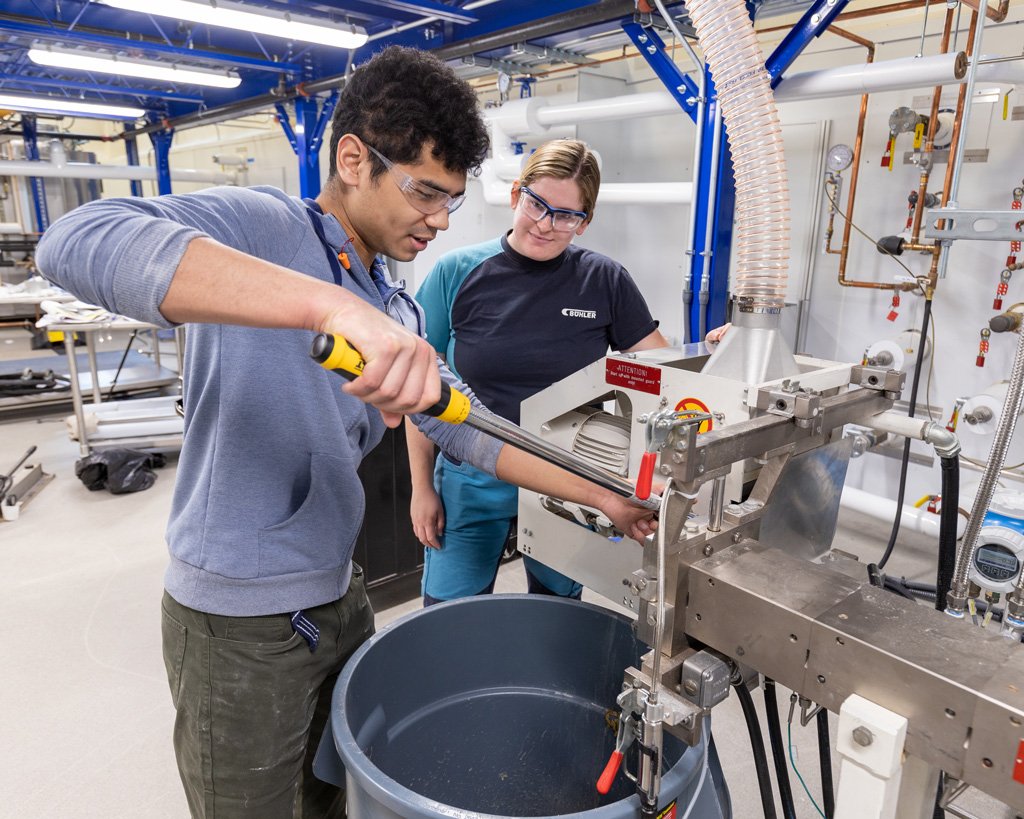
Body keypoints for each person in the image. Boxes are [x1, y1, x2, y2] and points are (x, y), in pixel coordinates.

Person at [35, 48, 657, 819]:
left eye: (453, 200)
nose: (439, 219)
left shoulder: (396, 304)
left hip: (339, 596)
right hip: (239, 620)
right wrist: (327, 307)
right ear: (354, 159)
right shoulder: (267, 227)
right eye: (425, 192)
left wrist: (609, 498)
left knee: (335, 798)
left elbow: (473, 432)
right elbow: (74, 240)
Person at [406, 139, 669, 606]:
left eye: (567, 215)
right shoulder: (456, 273)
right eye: (537, 204)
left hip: (568, 480)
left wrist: (718, 351)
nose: (546, 225)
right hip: (471, 480)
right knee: (448, 617)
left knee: (555, 616)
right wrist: (422, 487)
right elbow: (420, 387)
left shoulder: (604, 282)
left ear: (584, 222)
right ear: (515, 195)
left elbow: (664, 370)